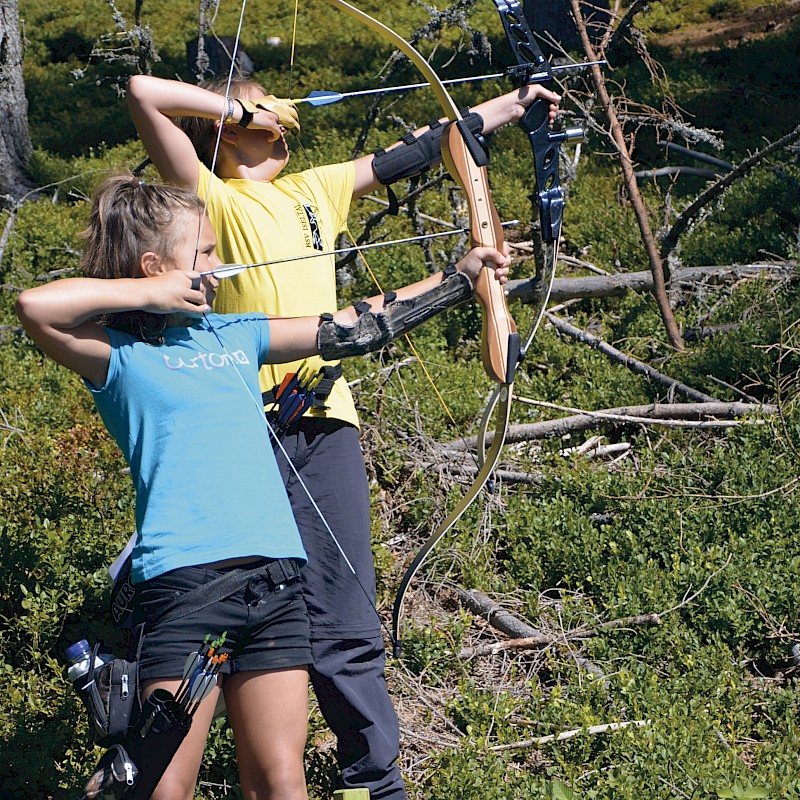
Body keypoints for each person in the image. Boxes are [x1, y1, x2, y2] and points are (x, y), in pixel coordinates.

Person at [126, 72, 557, 800]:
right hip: (245, 432)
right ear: (228, 127)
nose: (284, 120)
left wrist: (517, 104)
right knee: (236, 612)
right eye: (266, 111)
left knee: (344, 612)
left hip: (325, 419)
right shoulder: (210, 197)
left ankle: (372, 782)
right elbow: (142, 94)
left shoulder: (317, 188)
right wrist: (235, 104)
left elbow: (427, 146)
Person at [16, 175, 509, 800]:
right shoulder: (115, 354)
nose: (222, 266)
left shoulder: (234, 333)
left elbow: (351, 327)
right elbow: (35, 305)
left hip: (275, 580)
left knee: (280, 782)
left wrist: (460, 278)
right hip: (185, 587)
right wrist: (151, 293)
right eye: (206, 252)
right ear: (154, 266)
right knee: (163, 787)